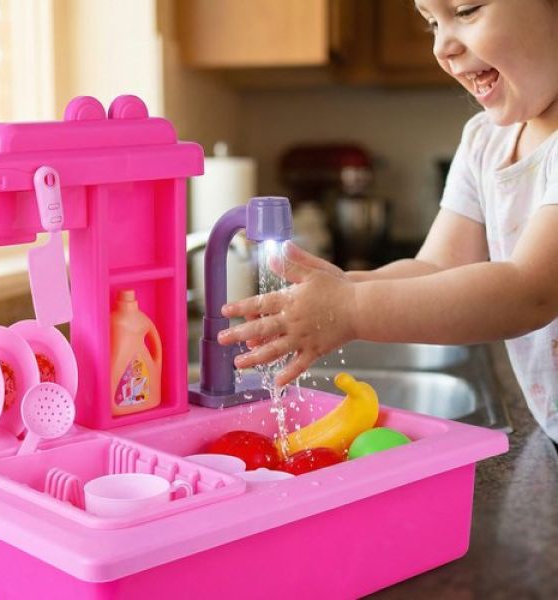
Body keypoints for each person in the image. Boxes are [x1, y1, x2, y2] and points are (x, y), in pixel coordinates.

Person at [217, 0, 558, 444]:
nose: (443, 46)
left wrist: (352, 311)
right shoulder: (483, 142)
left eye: (467, 10)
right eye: (431, 23)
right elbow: (437, 268)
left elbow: (530, 292)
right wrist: (343, 289)